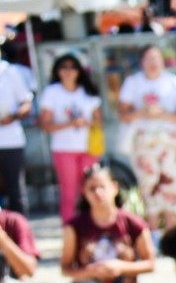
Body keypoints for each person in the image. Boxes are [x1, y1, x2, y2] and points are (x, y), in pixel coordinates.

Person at [59, 164, 155, 283]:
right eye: (92, 188)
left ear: (115, 188)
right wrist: (91, 272)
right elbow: (66, 268)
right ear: (84, 192)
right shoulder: (74, 227)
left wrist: (121, 267)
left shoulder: (133, 223)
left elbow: (150, 263)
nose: (98, 193)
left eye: (102, 187)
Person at [117, 45, 176, 230]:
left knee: (172, 185)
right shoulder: (133, 82)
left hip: (171, 140)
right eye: (148, 58)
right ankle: (153, 232)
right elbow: (123, 113)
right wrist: (142, 112)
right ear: (141, 62)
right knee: (148, 185)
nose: (153, 63)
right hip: (143, 140)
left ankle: (173, 230)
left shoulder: (175, 83)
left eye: (156, 58)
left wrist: (162, 114)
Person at [37, 54, 102, 225]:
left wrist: (87, 122)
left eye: (72, 67)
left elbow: (98, 120)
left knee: (90, 190)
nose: (68, 71)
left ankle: (92, 226)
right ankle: (70, 230)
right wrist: (69, 123)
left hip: (88, 148)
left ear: (79, 70)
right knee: (69, 193)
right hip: (63, 148)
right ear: (57, 71)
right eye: (63, 67)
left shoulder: (87, 92)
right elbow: (45, 124)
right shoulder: (52, 92)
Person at [0, 48, 32, 212]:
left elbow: (26, 103)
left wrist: (11, 117)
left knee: (15, 191)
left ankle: (20, 235)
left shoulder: (10, 72)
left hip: (11, 141)